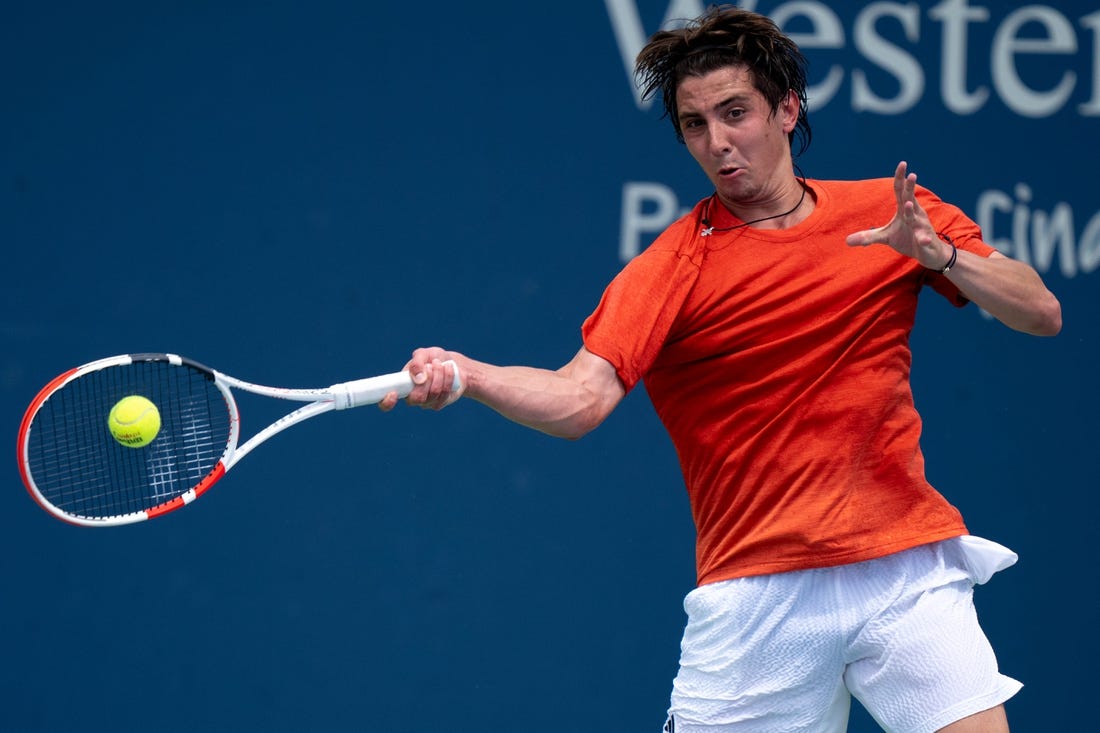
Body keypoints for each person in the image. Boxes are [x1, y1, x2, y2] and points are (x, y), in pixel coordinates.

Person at [380, 5, 1062, 732]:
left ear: (787, 109)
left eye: (735, 113)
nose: (717, 142)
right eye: (695, 124)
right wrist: (467, 373)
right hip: (757, 597)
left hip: (904, 569)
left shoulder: (890, 216)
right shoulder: (672, 265)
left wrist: (944, 256)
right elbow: (579, 399)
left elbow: (1040, 311)